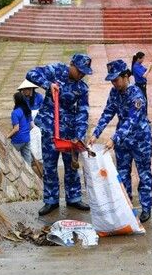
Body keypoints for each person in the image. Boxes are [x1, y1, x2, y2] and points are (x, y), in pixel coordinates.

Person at [26, 53, 93, 216]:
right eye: (79, 71)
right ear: (71, 65)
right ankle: (51, 200)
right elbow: (31, 74)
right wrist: (48, 84)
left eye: (84, 72)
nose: (81, 75)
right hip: (50, 128)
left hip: (69, 132)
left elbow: (83, 112)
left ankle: (74, 198)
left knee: (71, 166)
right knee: (49, 166)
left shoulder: (82, 88)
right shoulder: (55, 70)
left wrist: (79, 134)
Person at [88, 59, 152, 223]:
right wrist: (95, 133)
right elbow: (107, 113)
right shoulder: (114, 93)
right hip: (123, 144)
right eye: (111, 80)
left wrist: (113, 139)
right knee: (123, 176)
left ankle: (146, 208)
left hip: (140, 141)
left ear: (125, 76)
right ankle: (127, 205)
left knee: (144, 175)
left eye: (116, 79)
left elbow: (132, 121)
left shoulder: (137, 95)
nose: (114, 83)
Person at [17, 79, 44, 166]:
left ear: (31, 89)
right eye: (23, 90)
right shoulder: (22, 100)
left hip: (38, 119)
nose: (25, 91)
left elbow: (43, 111)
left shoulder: (39, 97)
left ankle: (40, 155)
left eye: (27, 89)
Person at [7, 92, 33, 165]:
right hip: (27, 138)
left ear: (16, 100)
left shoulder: (15, 113)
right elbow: (31, 125)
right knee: (28, 161)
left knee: (10, 157)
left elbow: (16, 128)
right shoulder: (27, 111)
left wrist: (7, 136)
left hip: (18, 140)